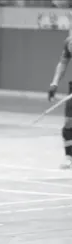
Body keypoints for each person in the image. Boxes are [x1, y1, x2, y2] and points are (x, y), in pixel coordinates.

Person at [48, 32, 71, 169]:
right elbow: (63, 64)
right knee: (69, 121)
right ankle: (69, 156)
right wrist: (54, 83)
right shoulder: (69, 43)